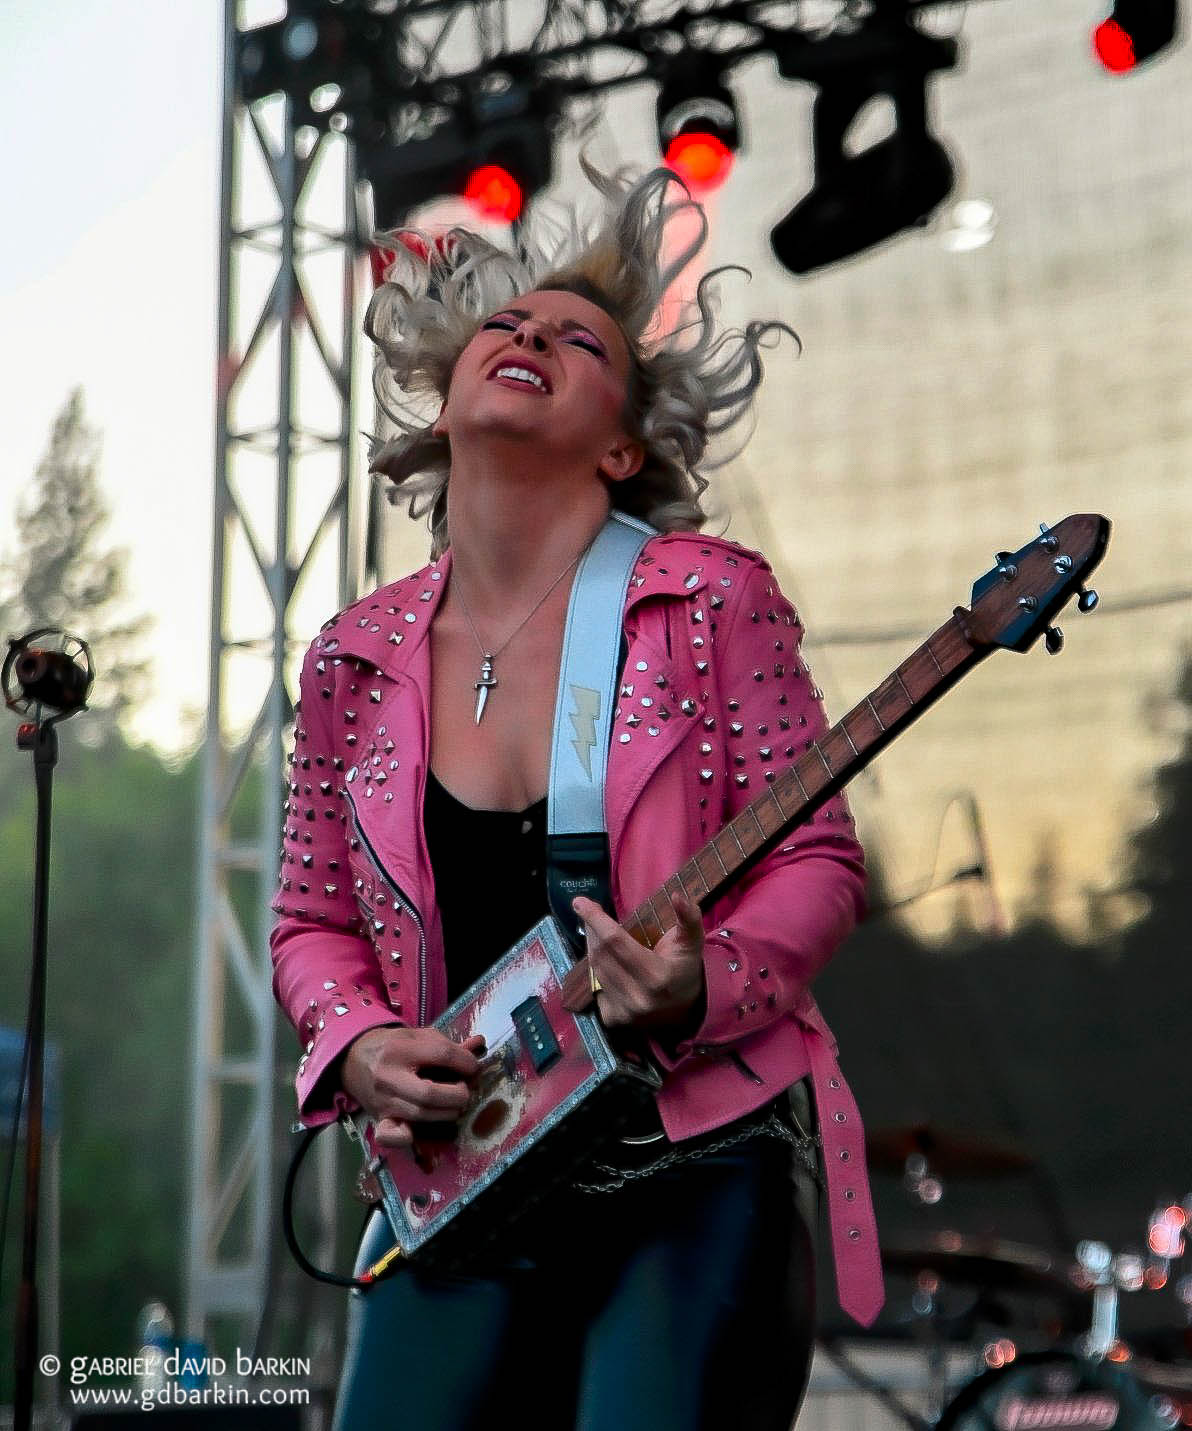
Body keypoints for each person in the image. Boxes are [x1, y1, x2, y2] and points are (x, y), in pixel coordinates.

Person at [268, 162, 879, 1429]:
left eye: (579, 340)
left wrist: (710, 982)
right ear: (443, 404)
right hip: (467, 1175)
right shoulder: (350, 659)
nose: (531, 333)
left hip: (693, 1161)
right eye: (505, 323)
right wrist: (364, 1043)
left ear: (622, 443)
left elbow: (816, 858)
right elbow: (310, 922)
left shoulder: (708, 598)